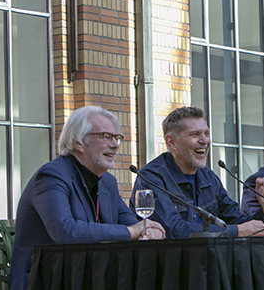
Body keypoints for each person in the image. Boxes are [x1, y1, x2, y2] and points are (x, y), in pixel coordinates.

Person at [10, 106, 165, 290]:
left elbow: (131, 222)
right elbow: (65, 231)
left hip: (89, 276)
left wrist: (147, 230)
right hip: (46, 280)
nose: (115, 144)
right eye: (106, 137)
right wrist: (133, 232)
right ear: (78, 142)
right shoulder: (51, 176)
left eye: (117, 138)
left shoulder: (107, 181)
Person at [132, 106, 264, 238]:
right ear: (171, 142)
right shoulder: (151, 177)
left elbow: (238, 221)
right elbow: (172, 230)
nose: (205, 141)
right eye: (195, 134)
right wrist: (236, 231)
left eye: (207, 134)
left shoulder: (208, 176)